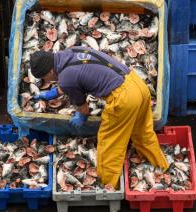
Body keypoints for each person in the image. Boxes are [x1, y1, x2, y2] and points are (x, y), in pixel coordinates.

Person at [30, 47, 168, 188]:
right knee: (143, 133)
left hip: (124, 99)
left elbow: (84, 109)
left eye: (44, 78)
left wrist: (81, 117)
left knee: (109, 143)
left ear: (50, 71)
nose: (45, 80)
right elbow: (75, 76)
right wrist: (54, 93)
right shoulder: (70, 52)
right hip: (138, 85)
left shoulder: (65, 79)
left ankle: (108, 186)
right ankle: (162, 168)